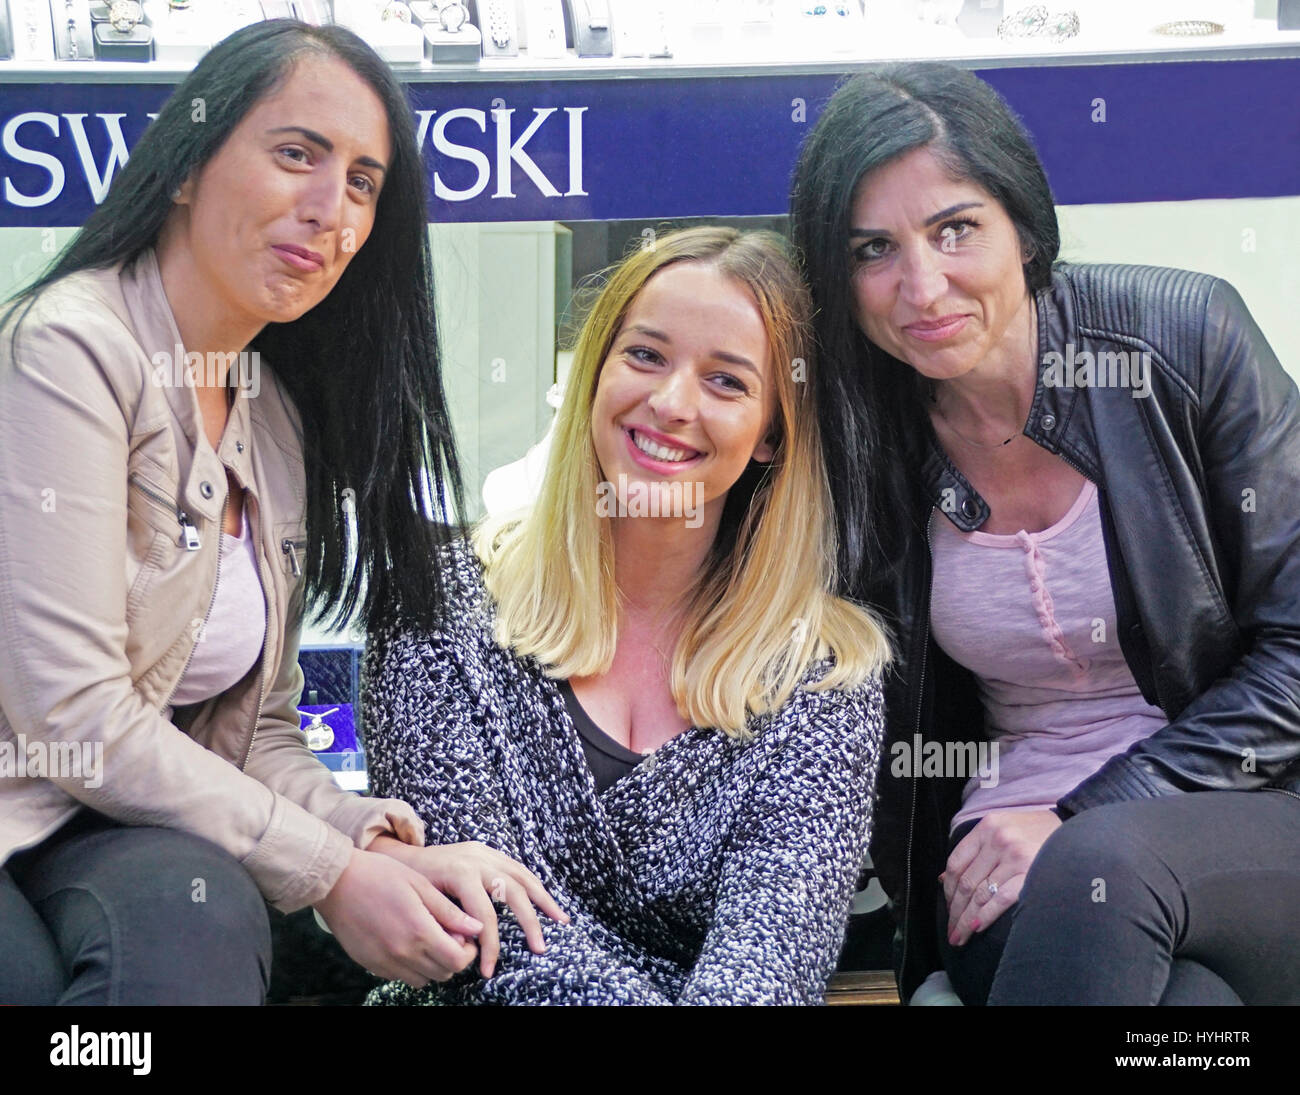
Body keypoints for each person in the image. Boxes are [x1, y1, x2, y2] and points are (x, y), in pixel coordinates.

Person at [0, 19, 562, 1006]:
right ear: (185, 169)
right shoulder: (68, 349)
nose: (329, 209)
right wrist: (330, 875)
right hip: (33, 801)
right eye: (297, 154)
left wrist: (366, 842)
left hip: (96, 826)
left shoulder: (269, 412)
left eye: (360, 183)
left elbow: (251, 730)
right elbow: (75, 713)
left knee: (196, 921)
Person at [790, 63, 1300, 1006]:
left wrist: (1083, 814)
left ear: (1023, 226)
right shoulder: (858, 439)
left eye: (955, 229)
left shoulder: (1186, 341)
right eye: (873, 249)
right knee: (1194, 1017)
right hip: (1005, 848)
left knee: (1103, 863)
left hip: (1255, 810)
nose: (922, 285)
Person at [362, 226, 891, 1005]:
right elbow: (482, 943)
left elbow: (770, 972)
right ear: (594, 374)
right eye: (645, 355)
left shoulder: (822, 674)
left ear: (773, 433)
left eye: (727, 382)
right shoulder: (433, 606)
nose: (673, 403)